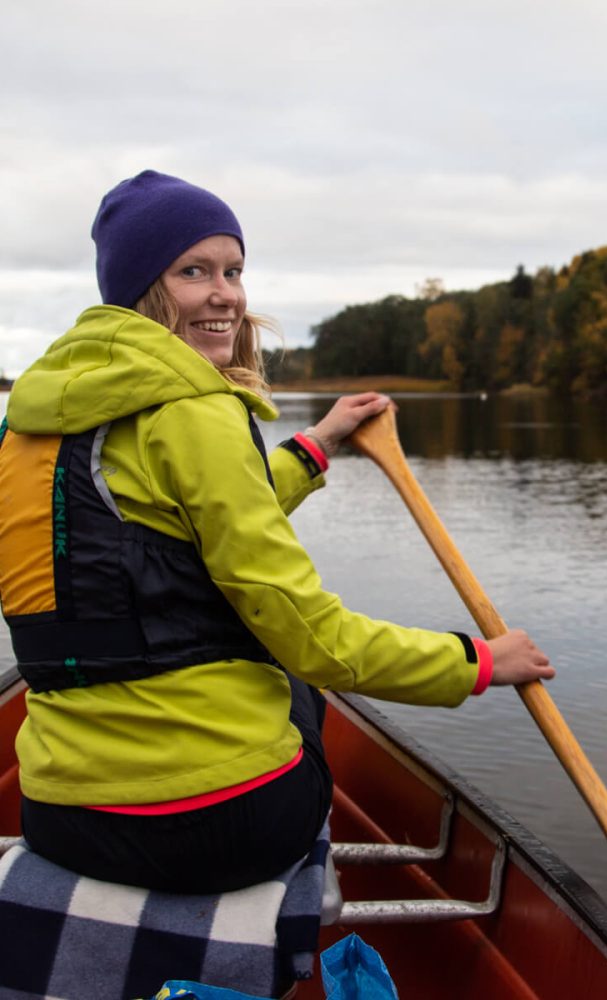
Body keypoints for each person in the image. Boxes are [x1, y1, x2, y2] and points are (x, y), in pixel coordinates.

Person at [0, 170, 553, 893]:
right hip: (214, 826)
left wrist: (316, 444)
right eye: (193, 270)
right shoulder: (195, 409)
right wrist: (477, 663)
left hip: (62, 813)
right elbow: (313, 638)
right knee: (291, 679)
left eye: (233, 269)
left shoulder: (29, 420)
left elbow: (155, 534)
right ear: (142, 286)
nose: (225, 293)